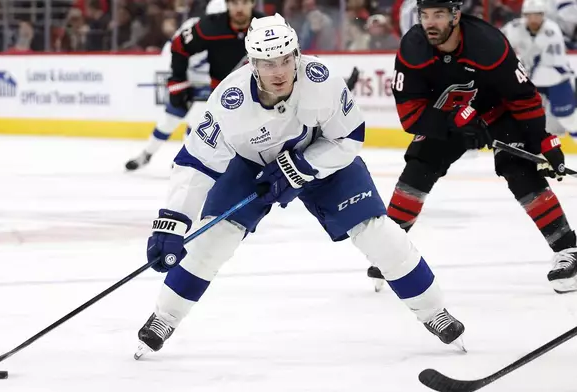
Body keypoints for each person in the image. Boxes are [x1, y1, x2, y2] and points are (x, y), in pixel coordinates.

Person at [133, 13, 466, 359]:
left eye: (284, 60)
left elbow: (349, 137)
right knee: (212, 240)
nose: (277, 71)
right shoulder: (228, 100)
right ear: (251, 63)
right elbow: (195, 163)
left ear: (297, 55)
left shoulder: (322, 81)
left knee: (377, 232)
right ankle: (164, 318)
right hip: (250, 165)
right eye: (266, 63)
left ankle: (434, 311)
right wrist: (172, 222)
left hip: (321, 157)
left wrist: (301, 167)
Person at [366, 0, 577, 295]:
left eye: (439, 14)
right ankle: (391, 250)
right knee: (419, 165)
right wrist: (453, 123)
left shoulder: (488, 44)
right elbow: (411, 115)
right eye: (425, 15)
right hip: (448, 117)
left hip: (497, 113)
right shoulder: (413, 47)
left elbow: (523, 98)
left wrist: (544, 142)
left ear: (455, 15)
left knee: (518, 169)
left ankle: (569, 250)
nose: (430, 23)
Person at [124, 0, 262, 171]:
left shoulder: (244, 30)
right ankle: (146, 154)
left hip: (211, 86)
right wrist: (177, 83)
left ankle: (185, 159)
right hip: (188, 82)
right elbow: (173, 51)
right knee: (169, 120)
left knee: (197, 121)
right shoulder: (198, 28)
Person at [502, 0, 577, 141]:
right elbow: (498, 42)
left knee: (568, 119)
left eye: (537, 15)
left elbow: (544, 62)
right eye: (529, 15)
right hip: (533, 81)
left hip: (556, 79)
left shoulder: (552, 31)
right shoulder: (515, 27)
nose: (533, 19)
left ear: (543, 15)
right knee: (532, 120)